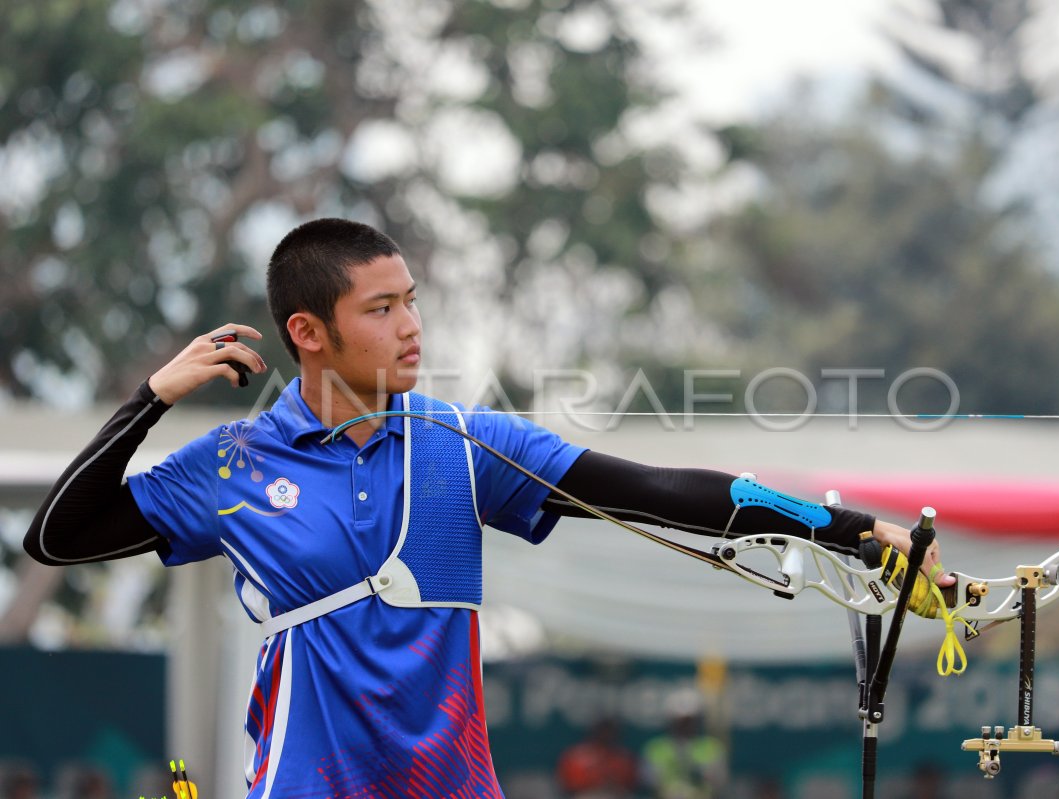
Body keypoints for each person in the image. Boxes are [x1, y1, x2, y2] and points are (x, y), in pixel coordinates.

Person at [25, 218, 953, 797]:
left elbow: (658, 491)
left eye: (412, 302)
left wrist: (857, 533)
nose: (411, 326)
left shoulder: (464, 444)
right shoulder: (230, 463)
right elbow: (56, 537)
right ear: (307, 332)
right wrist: (153, 395)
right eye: (381, 308)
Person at [641, 691, 727, 799]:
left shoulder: (712, 748)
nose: (684, 725)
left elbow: (718, 782)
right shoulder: (655, 749)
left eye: (689, 721)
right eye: (680, 720)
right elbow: (650, 782)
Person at [556, 718, 639, 798]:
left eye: (609, 731)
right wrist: (594, 779)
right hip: (586, 795)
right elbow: (567, 785)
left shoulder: (624, 758)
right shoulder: (576, 756)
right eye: (603, 730)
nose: (606, 734)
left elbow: (631, 784)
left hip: (615, 795)